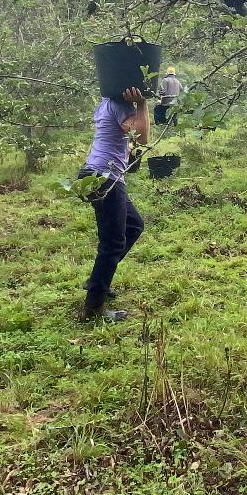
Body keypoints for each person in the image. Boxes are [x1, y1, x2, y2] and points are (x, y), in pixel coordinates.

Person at [79, 86, 149, 321]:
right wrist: (143, 104)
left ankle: (97, 280)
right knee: (112, 243)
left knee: (134, 226)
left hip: (98, 173)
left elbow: (125, 141)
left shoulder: (107, 102)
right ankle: (93, 308)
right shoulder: (120, 105)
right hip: (104, 177)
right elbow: (142, 137)